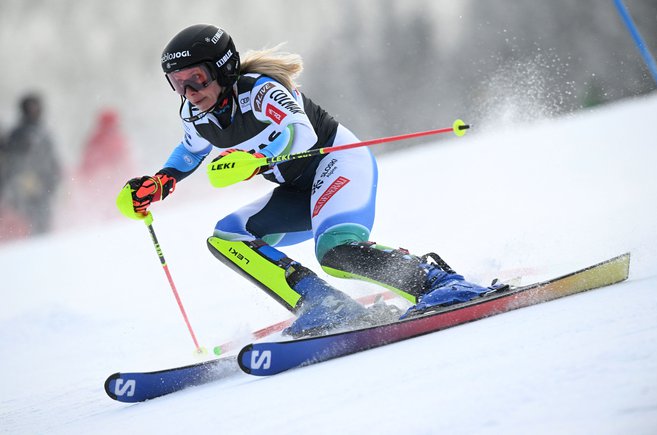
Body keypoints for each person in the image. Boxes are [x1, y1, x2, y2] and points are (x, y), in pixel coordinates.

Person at [117, 24, 501, 337]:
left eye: (196, 80)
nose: (189, 93)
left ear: (223, 69)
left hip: (338, 164)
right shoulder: (196, 114)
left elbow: (301, 134)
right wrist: (159, 183)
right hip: (298, 187)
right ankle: (324, 304)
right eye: (177, 83)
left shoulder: (260, 90)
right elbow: (190, 152)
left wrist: (254, 159)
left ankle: (439, 282)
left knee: (335, 251)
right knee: (228, 237)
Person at [1, 93, 61, 236]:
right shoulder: (17, 134)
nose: (34, 110)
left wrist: (55, 179)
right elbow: (11, 162)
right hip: (25, 189)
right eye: (31, 107)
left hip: (44, 186)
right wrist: (20, 180)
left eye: (36, 107)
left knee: (43, 225)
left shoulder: (44, 132)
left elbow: (52, 160)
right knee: (30, 225)